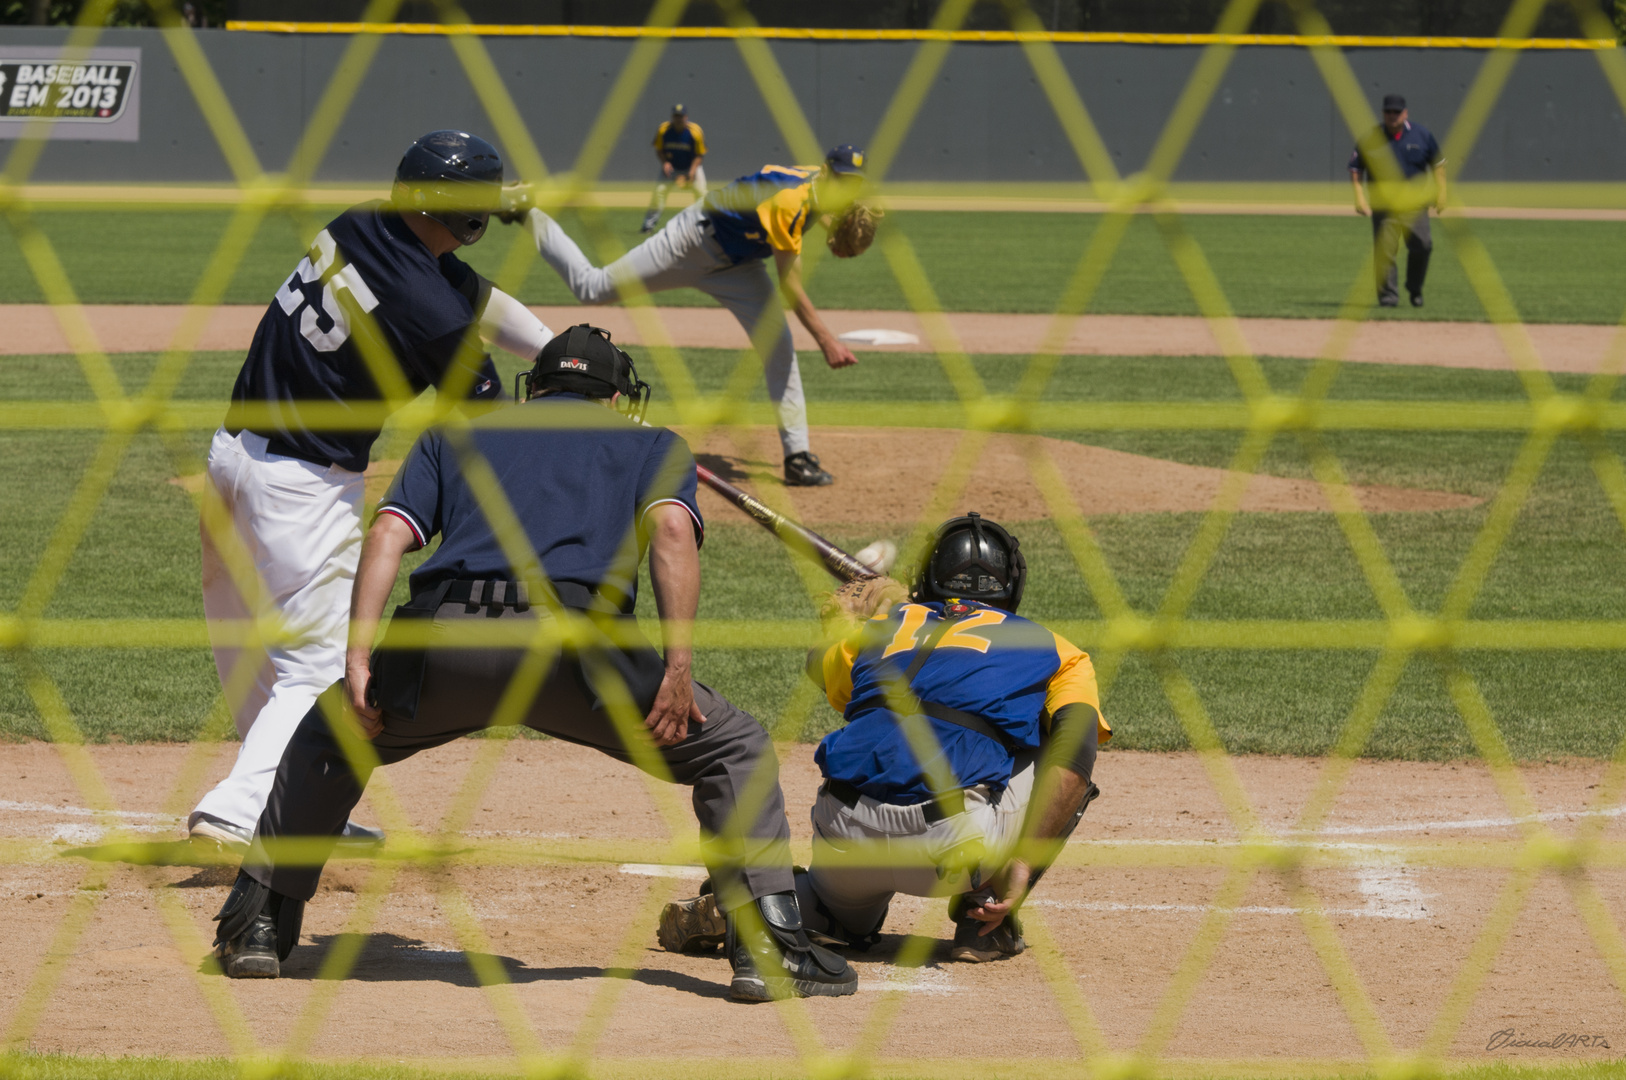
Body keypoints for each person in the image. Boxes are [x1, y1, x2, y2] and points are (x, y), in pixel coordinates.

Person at [206, 325, 858, 1004]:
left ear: (535, 385)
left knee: (328, 731)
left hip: (444, 648)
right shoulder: (653, 444)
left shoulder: (453, 435)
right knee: (737, 749)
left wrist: (360, 659)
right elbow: (670, 533)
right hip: (582, 657)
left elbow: (388, 535)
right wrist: (677, 665)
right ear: (614, 397)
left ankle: (257, 928)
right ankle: (769, 951)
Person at [189, 130, 556, 855]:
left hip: (229, 461)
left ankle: (292, 805)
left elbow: (471, 294)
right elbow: (487, 425)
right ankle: (239, 807)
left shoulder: (361, 221)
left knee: (252, 650)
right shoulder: (435, 315)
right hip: (301, 487)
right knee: (321, 663)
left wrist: (556, 349)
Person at [657, 513, 1107, 964]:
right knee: (1061, 742)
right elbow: (1076, 756)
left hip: (845, 833)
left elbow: (823, 669)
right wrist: (1023, 863)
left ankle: (767, 906)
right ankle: (984, 919)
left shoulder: (887, 626)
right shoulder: (1056, 647)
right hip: (953, 849)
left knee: (843, 906)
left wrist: (854, 629)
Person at [502, 145, 883, 488]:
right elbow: (790, 283)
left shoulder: (814, 189)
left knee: (777, 344)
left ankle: (798, 457)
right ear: (826, 172)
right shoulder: (791, 200)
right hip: (692, 241)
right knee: (592, 287)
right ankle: (527, 211)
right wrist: (827, 341)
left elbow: (809, 211)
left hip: (739, 264)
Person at [1349, 93, 1447, 308]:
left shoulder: (1422, 135)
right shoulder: (1371, 138)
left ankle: (1414, 287)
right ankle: (1388, 298)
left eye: (1397, 112)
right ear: (1383, 113)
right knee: (1385, 252)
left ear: (1405, 113)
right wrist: (1359, 197)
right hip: (1384, 205)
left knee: (1423, 245)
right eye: (1388, 111)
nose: (1392, 115)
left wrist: (1442, 192)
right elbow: (1356, 168)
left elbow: (1438, 164)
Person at [641, 103, 708, 234]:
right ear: (672, 117)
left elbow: (700, 155)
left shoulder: (695, 132)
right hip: (671, 167)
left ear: (686, 117)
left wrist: (693, 171)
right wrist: (665, 162)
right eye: (676, 116)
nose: (678, 119)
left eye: (681, 116)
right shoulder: (664, 130)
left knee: (702, 193)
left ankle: (706, 223)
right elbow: (659, 149)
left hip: (692, 166)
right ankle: (647, 226)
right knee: (659, 193)